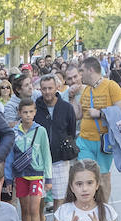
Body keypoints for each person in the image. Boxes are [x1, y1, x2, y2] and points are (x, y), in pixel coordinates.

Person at [74, 56, 121, 194]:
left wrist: (100, 113)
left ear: (91, 70)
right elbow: (78, 115)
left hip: (103, 141)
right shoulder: (86, 90)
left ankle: (103, 210)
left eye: (82, 70)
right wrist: (71, 98)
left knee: (102, 177)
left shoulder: (111, 86)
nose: (80, 74)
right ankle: (89, 208)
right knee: (85, 175)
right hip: (84, 141)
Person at [4, 98, 49, 221]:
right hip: (21, 175)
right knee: (24, 208)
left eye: (31, 112)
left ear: (35, 112)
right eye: (25, 112)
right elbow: (9, 157)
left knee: (34, 208)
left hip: (36, 174)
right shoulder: (14, 132)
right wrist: (8, 179)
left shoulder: (41, 131)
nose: (28, 115)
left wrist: (48, 178)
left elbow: (46, 154)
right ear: (19, 113)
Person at [33, 73, 78, 212]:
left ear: (57, 88)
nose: (47, 92)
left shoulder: (66, 108)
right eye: (44, 88)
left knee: (60, 198)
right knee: (39, 199)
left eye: (50, 88)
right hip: (39, 160)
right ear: (40, 89)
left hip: (60, 159)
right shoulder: (35, 108)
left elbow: (71, 130)